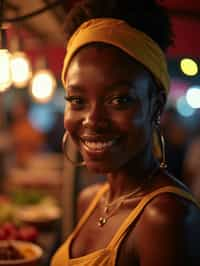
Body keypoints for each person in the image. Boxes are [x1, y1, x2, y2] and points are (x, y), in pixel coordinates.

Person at [51, 1, 200, 265]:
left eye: (119, 100)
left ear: (156, 105)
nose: (93, 121)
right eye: (77, 100)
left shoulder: (165, 217)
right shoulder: (90, 200)